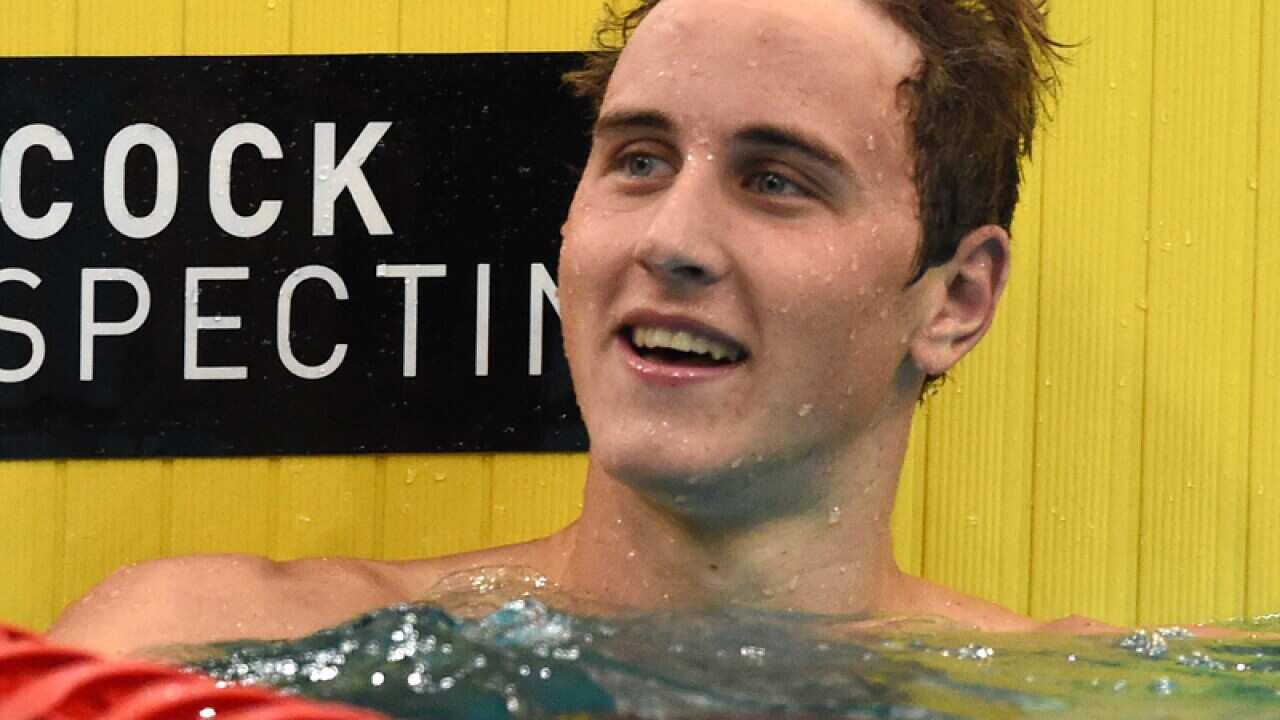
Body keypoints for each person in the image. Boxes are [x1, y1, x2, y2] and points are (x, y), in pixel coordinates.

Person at [47, 0, 1089, 657]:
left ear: (955, 301)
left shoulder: (1087, 698)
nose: (669, 239)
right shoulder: (193, 650)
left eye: (775, 180)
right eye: (638, 160)